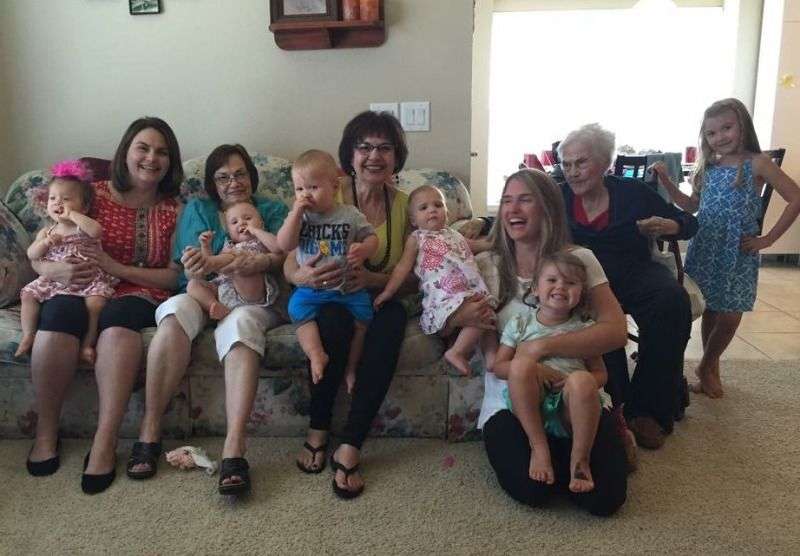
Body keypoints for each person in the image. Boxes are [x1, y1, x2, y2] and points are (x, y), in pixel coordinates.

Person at [25, 117, 183, 494]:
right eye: (142, 148)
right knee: (58, 313)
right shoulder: (90, 195)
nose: (151, 158)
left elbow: (174, 277)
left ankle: (105, 440)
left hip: (137, 292)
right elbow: (46, 240)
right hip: (75, 284)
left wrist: (118, 269)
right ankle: (46, 432)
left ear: (170, 162)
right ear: (125, 153)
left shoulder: (175, 209)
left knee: (118, 318)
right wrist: (51, 270)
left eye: (162, 152)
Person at [129, 144, 287, 497]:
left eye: (240, 174)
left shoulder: (272, 210)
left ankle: (234, 447)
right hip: (208, 289)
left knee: (241, 323)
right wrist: (196, 264)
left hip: (252, 294)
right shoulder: (198, 210)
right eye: (223, 177)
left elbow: (284, 255)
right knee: (174, 312)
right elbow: (189, 267)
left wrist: (258, 262)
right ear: (213, 184)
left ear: (252, 176)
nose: (233, 182)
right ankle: (150, 430)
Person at [286, 111, 424, 499]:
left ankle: (350, 443)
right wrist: (302, 277)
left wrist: (374, 281)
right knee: (332, 320)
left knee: (391, 322)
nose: (374, 156)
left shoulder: (406, 206)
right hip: (327, 296)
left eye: (385, 148)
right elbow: (287, 257)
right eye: (365, 147)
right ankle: (318, 428)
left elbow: (416, 276)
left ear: (397, 156)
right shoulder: (323, 191)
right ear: (350, 154)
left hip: (378, 296)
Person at [476, 168, 628, 516]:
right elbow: (490, 353)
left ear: (547, 207)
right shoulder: (487, 264)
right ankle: (548, 449)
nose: (513, 209)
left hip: (575, 394)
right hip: (512, 398)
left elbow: (615, 331)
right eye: (507, 201)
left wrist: (541, 347)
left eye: (525, 200)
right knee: (533, 491)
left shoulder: (579, 260)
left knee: (605, 500)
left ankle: (578, 452)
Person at [557, 123, 698, 450]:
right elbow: (520, 214)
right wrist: (481, 223)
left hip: (633, 270)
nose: (573, 172)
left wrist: (670, 224)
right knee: (597, 316)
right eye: (566, 164)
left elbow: (689, 223)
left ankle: (649, 410)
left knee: (671, 300)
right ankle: (616, 408)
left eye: (581, 162)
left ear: (605, 163)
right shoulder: (557, 196)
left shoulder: (633, 193)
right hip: (586, 279)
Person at [651, 98, 800, 398]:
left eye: (727, 128)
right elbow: (691, 206)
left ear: (743, 125)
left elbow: (795, 197)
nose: (720, 137)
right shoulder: (708, 166)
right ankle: (712, 370)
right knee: (710, 306)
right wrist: (666, 181)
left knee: (731, 312)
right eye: (711, 133)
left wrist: (768, 239)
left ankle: (705, 364)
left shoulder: (758, 162)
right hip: (706, 244)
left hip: (738, 250)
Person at [492, 251, 611, 494]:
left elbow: (601, 374)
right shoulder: (520, 323)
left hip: (572, 409)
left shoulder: (585, 328)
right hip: (531, 405)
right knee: (520, 365)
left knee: (582, 380)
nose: (560, 287)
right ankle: (539, 448)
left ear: (581, 292)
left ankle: (580, 460)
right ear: (535, 288)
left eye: (570, 282)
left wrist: (573, 381)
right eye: (552, 280)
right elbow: (500, 367)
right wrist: (535, 367)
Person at [278, 150, 378, 394]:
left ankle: (351, 368)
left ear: (334, 187)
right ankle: (316, 354)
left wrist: (364, 249)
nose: (305, 195)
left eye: (313, 187)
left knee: (364, 318)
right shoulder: (299, 218)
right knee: (296, 308)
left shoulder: (350, 215)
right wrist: (296, 214)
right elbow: (284, 244)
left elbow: (372, 238)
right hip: (312, 290)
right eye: (299, 189)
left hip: (348, 288)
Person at [374, 185, 498, 376]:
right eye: (423, 208)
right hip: (445, 294)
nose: (432, 210)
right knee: (479, 314)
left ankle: (492, 359)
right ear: (413, 220)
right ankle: (456, 352)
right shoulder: (417, 238)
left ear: (446, 213)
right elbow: (402, 268)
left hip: (470, 289)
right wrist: (388, 292)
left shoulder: (455, 235)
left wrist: (498, 242)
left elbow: (478, 245)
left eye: (438, 205)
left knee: (488, 317)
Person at [16, 160, 116, 365]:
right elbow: (31, 254)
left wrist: (72, 215)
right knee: (27, 295)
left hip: (87, 280)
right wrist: (45, 243)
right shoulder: (48, 231)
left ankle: (88, 343)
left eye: (66, 199)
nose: (57, 203)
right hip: (53, 280)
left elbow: (97, 231)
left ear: (85, 207)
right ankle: (28, 335)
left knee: (96, 304)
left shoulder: (83, 227)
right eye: (52, 198)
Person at [186, 200, 281, 321]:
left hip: (250, 289)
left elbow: (278, 247)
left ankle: (207, 262)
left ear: (261, 223)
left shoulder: (262, 239)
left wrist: (257, 231)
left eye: (248, 218)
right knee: (193, 284)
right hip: (223, 289)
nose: (242, 222)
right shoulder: (229, 246)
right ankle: (215, 306)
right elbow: (212, 270)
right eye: (234, 222)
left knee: (239, 261)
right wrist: (205, 246)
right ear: (229, 232)